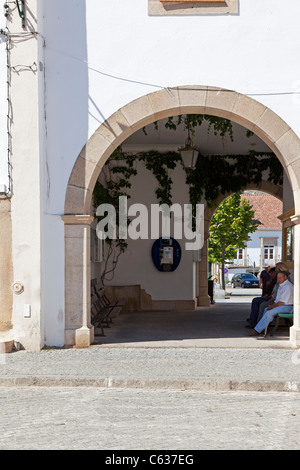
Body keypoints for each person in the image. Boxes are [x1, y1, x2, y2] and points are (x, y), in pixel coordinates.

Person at [246, 262, 290, 328]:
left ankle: (257, 324)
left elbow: (278, 295)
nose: (275, 270)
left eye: (277, 268)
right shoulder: (278, 277)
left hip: (278, 301)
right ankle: (254, 321)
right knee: (256, 301)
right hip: (274, 298)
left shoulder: (283, 278)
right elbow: (274, 291)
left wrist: (270, 300)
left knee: (262, 304)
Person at [248, 271, 294, 336]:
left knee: (270, 312)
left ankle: (257, 330)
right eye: (278, 278)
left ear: (285, 277)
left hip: (288, 307)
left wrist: (272, 306)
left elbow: (283, 302)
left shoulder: (287, 286)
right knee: (266, 309)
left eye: (280, 278)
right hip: (282, 305)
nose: (278, 279)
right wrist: (272, 306)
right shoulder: (282, 285)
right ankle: (262, 328)